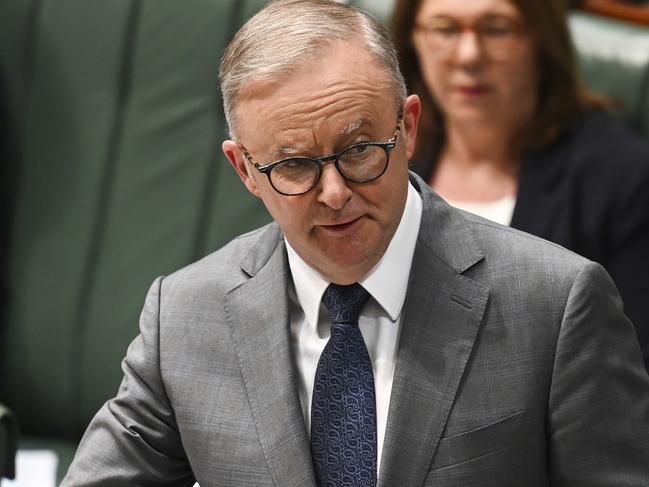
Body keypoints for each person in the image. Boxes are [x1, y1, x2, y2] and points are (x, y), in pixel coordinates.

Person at [61, 0, 649, 485]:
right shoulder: (185, 317)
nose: (336, 193)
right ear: (244, 170)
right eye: (294, 166)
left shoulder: (556, 304)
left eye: (360, 150)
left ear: (409, 126)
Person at [392, 0, 649, 369]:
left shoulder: (624, 175)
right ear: (412, 40)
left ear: (541, 40)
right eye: (444, 29)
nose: (468, 56)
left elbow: (631, 375)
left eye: (496, 29)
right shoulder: (386, 155)